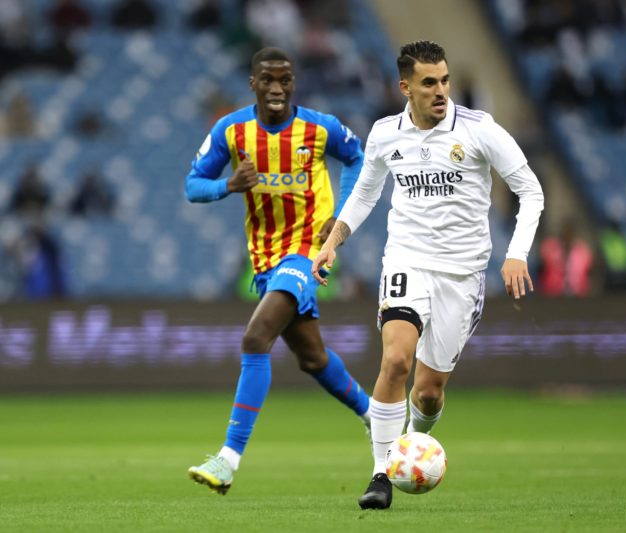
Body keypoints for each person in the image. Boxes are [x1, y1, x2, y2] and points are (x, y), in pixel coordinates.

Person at [311, 40, 544, 510]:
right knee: (396, 361)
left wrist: (517, 254)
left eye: (444, 80)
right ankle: (380, 474)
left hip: (462, 274)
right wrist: (333, 242)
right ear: (405, 87)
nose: (441, 91)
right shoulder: (384, 134)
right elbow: (364, 196)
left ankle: (414, 443)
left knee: (429, 391)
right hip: (406, 260)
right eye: (429, 83)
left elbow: (531, 191)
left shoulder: (480, 130)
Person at [184, 46, 370, 495]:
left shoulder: (321, 128)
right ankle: (376, 415)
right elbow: (192, 185)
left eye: (284, 79)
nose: (276, 87)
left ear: (294, 83)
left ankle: (228, 459)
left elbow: (359, 158)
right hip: (265, 258)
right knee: (313, 359)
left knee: (255, 338)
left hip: (307, 252)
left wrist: (340, 218)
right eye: (267, 79)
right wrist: (228, 185)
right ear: (252, 83)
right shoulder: (231, 131)